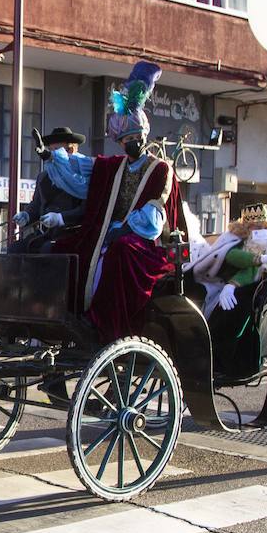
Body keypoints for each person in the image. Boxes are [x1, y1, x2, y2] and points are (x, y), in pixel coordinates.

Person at [52, 61, 184, 342]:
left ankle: (104, 323)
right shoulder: (116, 165)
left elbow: (154, 219)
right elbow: (86, 166)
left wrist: (123, 229)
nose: (132, 143)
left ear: (144, 136)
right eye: (126, 139)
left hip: (146, 243)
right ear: (120, 143)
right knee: (69, 246)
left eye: (136, 137)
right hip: (110, 233)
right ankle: (66, 316)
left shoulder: (160, 168)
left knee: (120, 250)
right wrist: (54, 156)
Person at [11, 127, 92, 253]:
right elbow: (37, 204)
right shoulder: (43, 177)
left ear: (71, 150)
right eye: (51, 150)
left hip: (72, 233)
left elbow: (86, 210)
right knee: (15, 249)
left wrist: (60, 218)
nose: (51, 156)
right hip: (45, 234)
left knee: (48, 250)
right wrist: (26, 215)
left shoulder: (84, 177)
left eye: (57, 151)